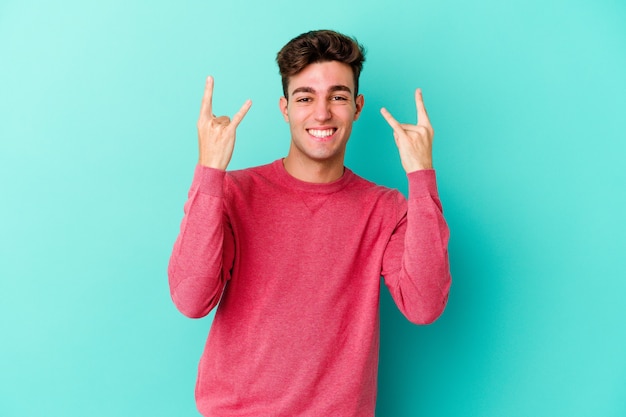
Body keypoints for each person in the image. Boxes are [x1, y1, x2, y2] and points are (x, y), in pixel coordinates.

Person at [168, 29, 451, 417]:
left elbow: (424, 305)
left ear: (357, 106)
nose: (322, 113)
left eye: (337, 96)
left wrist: (421, 175)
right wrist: (209, 172)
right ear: (285, 108)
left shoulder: (386, 208)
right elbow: (191, 300)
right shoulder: (234, 192)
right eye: (305, 98)